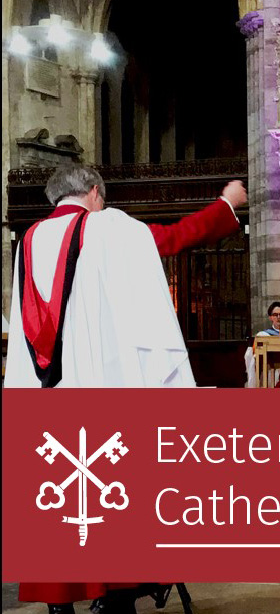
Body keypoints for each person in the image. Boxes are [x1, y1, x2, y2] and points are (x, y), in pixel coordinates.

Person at [6, 164, 194, 614]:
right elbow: (162, 251)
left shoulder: (27, 240)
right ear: (94, 192)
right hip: (108, 384)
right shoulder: (110, 227)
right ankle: (118, 597)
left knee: (56, 495)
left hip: (47, 390)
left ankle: (58, 601)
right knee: (114, 492)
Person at [243, 302, 280, 388]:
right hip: (269, 372)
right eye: (275, 315)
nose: (278, 317)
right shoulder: (263, 335)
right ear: (270, 317)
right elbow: (252, 357)